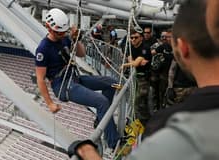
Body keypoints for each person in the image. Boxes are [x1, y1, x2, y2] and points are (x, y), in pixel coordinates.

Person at [68, 0, 219, 159]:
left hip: (150, 84)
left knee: (143, 106)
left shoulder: (170, 133)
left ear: (183, 48)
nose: (133, 40)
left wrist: (86, 151)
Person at [35, 8, 120, 149]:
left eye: (64, 32)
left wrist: (75, 39)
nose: (62, 35)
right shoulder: (43, 49)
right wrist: (50, 103)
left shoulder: (65, 38)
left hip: (74, 78)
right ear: (49, 28)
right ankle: (114, 142)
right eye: (59, 33)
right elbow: (40, 79)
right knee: (102, 101)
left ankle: (101, 120)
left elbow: (81, 54)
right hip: (62, 86)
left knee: (111, 84)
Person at [128, 30, 152, 125]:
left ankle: (144, 123)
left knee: (140, 101)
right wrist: (133, 62)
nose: (133, 39)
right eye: (132, 37)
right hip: (135, 77)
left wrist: (132, 63)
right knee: (135, 101)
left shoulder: (145, 48)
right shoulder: (131, 47)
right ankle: (138, 122)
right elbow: (132, 61)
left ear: (141, 38)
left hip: (143, 78)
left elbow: (135, 63)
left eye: (136, 37)